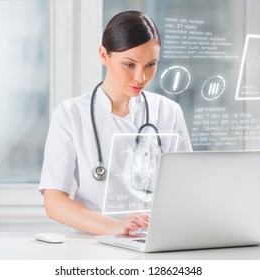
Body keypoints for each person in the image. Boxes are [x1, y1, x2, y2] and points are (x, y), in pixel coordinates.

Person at [39, 10, 192, 235]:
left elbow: (187, 186)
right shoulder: (71, 114)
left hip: (154, 240)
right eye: (129, 65)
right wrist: (115, 227)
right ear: (104, 55)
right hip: (94, 242)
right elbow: (54, 202)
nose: (141, 77)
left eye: (151, 65)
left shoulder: (169, 111)